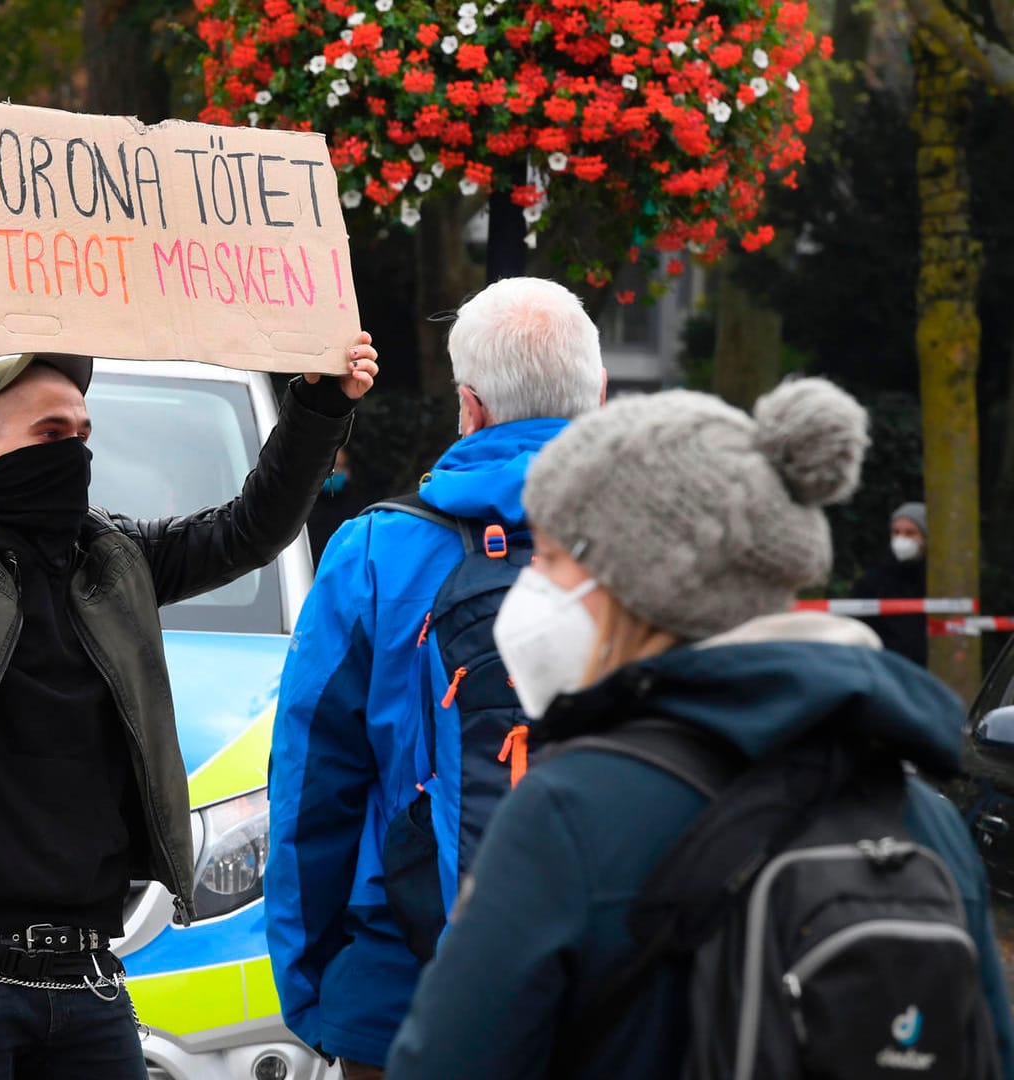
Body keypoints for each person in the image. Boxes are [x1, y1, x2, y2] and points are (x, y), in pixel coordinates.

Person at [383, 379, 1014, 1078]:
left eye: (554, 559)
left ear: (633, 582)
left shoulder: (571, 811)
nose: (534, 585)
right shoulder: (924, 818)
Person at [0, 295, 377, 1078]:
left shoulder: (119, 560)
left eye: (83, 434)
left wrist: (321, 404)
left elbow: (254, 526)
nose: (73, 449)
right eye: (51, 433)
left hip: (90, 974)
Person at [265, 277, 605, 1076]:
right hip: (608, 992)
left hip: (402, 991)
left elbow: (313, 790)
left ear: (471, 407)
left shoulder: (374, 552)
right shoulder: (662, 550)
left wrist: (322, 993)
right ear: (599, 393)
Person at [852, 500, 929, 665]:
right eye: (896, 532)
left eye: (910, 533)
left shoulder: (938, 582)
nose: (901, 539)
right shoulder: (873, 581)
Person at [306, 447, 358, 563]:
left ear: (348, 471)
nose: (334, 472)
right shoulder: (304, 511)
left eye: (339, 466)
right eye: (330, 467)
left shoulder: (357, 511)